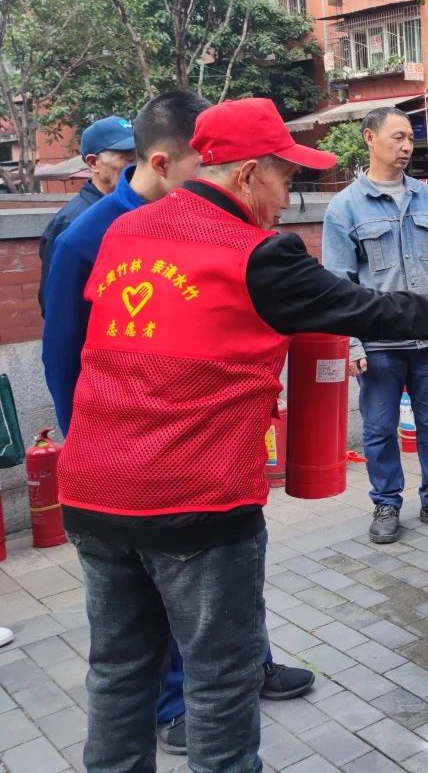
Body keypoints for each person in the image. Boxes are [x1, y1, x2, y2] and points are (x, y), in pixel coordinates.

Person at [56, 97, 428, 773]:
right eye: (287, 179)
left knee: (119, 672)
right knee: (221, 681)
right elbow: (372, 309)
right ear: (247, 175)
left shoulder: (125, 231)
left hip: (94, 493)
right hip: (196, 501)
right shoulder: (257, 255)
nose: (289, 198)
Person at [41, 91, 314, 758]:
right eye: (203, 166)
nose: (210, 184)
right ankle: (174, 707)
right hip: (158, 484)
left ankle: (252, 663)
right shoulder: (93, 236)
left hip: (176, 476)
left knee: (194, 641)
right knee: (174, 662)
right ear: (165, 163)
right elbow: (68, 357)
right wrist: (105, 450)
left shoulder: (186, 230)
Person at [323, 107, 428, 543]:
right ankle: (386, 502)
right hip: (379, 344)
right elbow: (338, 287)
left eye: (410, 137)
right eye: (397, 137)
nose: (407, 146)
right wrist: (351, 344)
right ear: (370, 138)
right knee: (378, 428)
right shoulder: (344, 208)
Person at [37, 116, 136, 314]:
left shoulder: (134, 210)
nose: (137, 167)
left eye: (139, 158)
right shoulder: (72, 222)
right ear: (93, 163)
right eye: (127, 159)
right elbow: (56, 305)